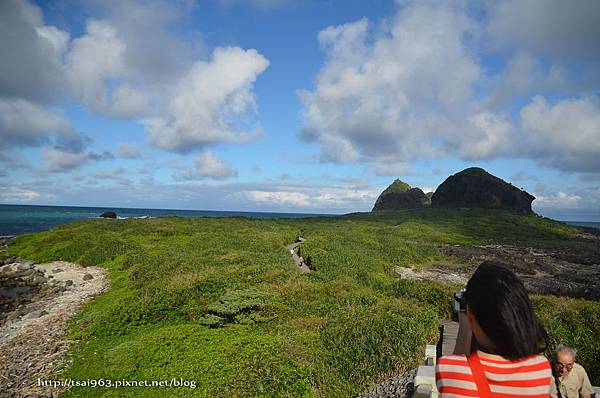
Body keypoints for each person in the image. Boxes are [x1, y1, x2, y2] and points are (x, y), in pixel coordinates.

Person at [436, 261, 552, 397]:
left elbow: (458, 365)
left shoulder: (448, 368)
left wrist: (465, 324)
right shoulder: (540, 369)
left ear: (471, 315)